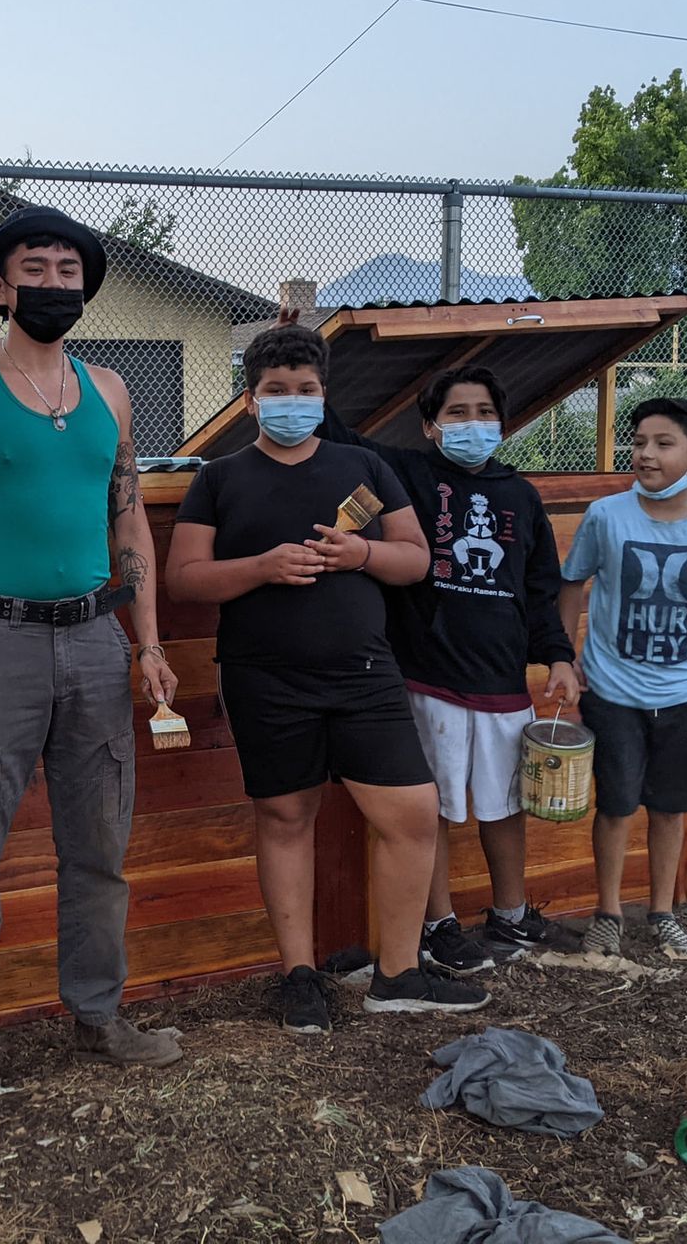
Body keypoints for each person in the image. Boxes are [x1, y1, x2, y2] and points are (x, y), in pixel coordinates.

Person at [0, 206, 183, 1133]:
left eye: (68, 270)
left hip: (97, 641)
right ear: (1, 285)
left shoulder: (112, 392)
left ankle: (97, 1018)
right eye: (35, 268)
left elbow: (129, 521)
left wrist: (150, 643)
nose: (55, 283)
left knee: (100, 851)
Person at [164, 324, 492, 1034]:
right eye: (276, 391)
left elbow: (415, 560)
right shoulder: (219, 478)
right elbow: (184, 578)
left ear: (323, 394)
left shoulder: (364, 467)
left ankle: (397, 974)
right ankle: (299, 976)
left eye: (306, 390)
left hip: (364, 674)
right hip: (262, 676)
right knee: (286, 818)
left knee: (410, 813)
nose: (292, 402)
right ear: (251, 400)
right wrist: (261, 568)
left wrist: (359, 553)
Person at [316, 363, 583, 971]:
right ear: (431, 427)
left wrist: (560, 657)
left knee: (505, 803)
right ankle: (437, 925)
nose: (473, 424)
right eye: (457, 414)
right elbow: (341, 439)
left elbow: (540, 590)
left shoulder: (521, 495)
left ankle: (510, 917)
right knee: (428, 805)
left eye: (485, 413)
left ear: (503, 423)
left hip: (503, 682)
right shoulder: (406, 474)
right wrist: (314, 371)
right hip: (427, 677)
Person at [558, 397, 687, 960]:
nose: (646, 454)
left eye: (663, 444)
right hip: (611, 693)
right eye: (639, 441)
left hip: (684, 697)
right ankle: (608, 914)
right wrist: (565, 659)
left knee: (670, 807)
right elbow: (571, 586)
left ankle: (663, 912)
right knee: (615, 806)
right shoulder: (606, 516)